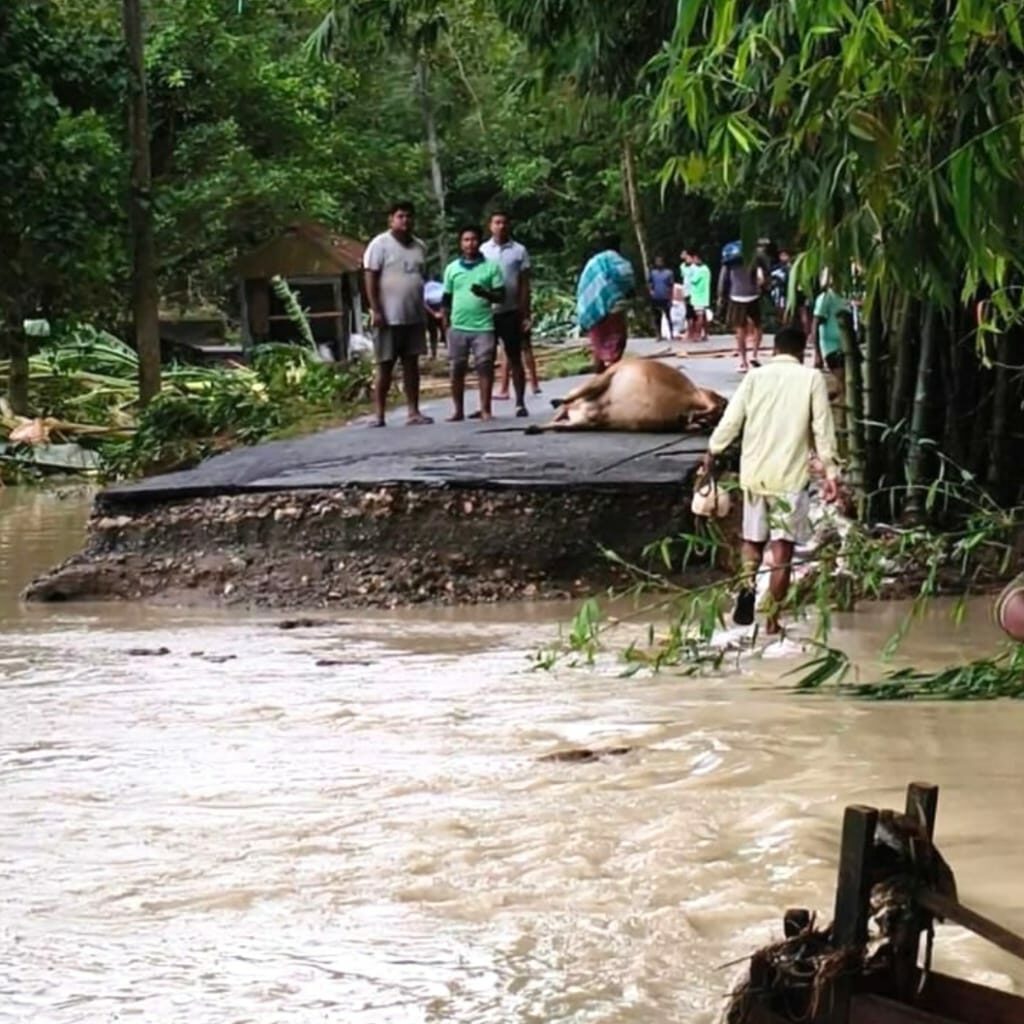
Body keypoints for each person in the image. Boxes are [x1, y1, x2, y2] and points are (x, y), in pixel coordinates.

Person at [702, 325, 841, 634]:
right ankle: (773, 621)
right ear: (801, 350)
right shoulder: (811, 379)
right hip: (789, 479)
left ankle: (749, 583)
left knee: (752, 542)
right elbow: (822, 430)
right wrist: (832, 472)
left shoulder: (754, 377)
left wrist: (712, 450)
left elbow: (732, 420)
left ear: (773, 349)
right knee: (782, 551)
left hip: (755, 476)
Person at [363, 201, 434, 426]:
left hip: (413, 316)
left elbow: (422, 279)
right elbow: (370, 277)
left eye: (409, 216)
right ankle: (379, 414)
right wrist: (376, 309)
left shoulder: (420, 247)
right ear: (391, 219)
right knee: (385, 365)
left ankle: (413, 412)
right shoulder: (379, 245)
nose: (405, 221)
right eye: (401, 216)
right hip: (388, 317)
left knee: (412, 365)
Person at [442, 225, 505, 422]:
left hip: (483, 326)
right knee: (456, 369)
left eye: (474, 239)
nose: (470, 243)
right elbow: (446, 299)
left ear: (480, 242)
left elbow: (501, 296)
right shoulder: (452, 269)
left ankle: (485, 409)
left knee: (484, 367)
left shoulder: (491, 267)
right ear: (461, 243)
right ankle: (458, 410)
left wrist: (484, 293)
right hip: (458, 326)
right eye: (466, 240)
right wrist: (446, 325)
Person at [481, 211, 535, 416]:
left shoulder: (519, 251)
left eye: (504, 222)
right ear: (490, 225)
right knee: (485, 359)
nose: (501, 226)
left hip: (511, 311)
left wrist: (525, 312)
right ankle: (485, 406)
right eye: (497, 222)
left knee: (514, 357)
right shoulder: (482, 250)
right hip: (487, 313)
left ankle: (520, 402)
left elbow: (524, 284)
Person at [577, 235, 635, 371]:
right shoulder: (620, 261)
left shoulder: (594, 263)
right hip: (616, 307)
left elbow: (585, 288)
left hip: (595, 310)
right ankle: (613, 368)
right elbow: (629, 281)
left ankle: (600, 372)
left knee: (598, 341)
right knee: (616, 339)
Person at [718, 240, 766, 372]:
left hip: (736, 296)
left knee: (740, 329)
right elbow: (762, 280)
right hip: (753, 295)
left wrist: (721, 297)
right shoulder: (755, 261)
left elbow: (723, 281)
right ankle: (754, 354)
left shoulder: (729, 263)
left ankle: (743, 362)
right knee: (758, 326)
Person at [811, 269, 848, 397]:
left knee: (844, 384)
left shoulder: (843, 297)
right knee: (843, 380)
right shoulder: (825, 298)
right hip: (831, 346)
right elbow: (815, 324)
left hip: (845, 345)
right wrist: (817, 353)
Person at [647, 254, 675, 340]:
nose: (659, 263)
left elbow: (671, 285)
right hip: (656, 298)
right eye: (657, 262)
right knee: (656, 317)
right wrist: (651, 291)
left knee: (668, 316)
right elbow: (650, 283)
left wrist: (671, 297)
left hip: (666, 297)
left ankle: (671, 333)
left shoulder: (668, 273)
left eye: (660, 262)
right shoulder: (653, 273)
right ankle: (658, 335)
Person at [687, 250, 711, 342]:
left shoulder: (700, 270)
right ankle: (706, 334)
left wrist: (692, 269)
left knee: (699, 316)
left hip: (698, 296)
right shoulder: (706, 269)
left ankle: (697, 335)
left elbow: (693, 280)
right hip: (704, 295)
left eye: (695, 259)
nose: (694, 261)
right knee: (704, 316)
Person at [423, 278, 446, 359]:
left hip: (433, 306)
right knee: (443, 329)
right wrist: (441, 313)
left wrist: (435, 314)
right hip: (438, 305)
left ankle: (434, 353)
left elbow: (424, 304)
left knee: (433, 333)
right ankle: (438, 352)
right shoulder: (441, 286)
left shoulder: (425, 288)